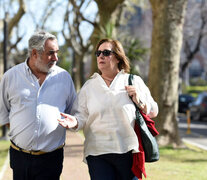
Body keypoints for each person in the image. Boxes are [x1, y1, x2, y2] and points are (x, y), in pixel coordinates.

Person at [58, 38, 158, 180]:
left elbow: (154, 111)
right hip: (97, 153)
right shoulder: (89, 86)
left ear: (118, 57)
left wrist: (140, 100)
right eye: (98, 53)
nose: (101, 56)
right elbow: (81, 116)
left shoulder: (133, 81)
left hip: (128, 151)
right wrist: (74, 122)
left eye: (106, 52)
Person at [0, 30, 76, 180]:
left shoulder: (64, 78)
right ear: (35, 53)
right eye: (51, 53)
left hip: (51, 158)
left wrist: (72, 122)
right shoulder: (10, 77)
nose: (56, 58)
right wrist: (22, 129)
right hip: (19, 157)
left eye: (56, 52)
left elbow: (74, 111)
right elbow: (3, 112)